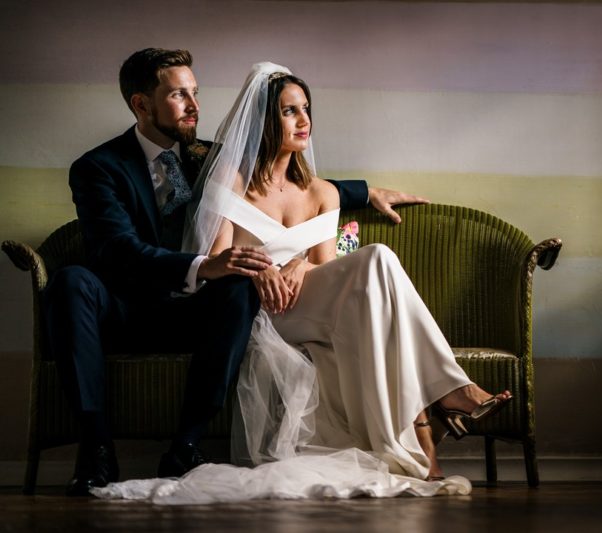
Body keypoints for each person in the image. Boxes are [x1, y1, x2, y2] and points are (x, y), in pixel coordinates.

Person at [91, 62, 511, 503]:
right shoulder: (230, 182)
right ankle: (449, 395)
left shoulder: (322, 192)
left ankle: (439, 410)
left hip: (309, 307)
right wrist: (265, 268)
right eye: (290, 111)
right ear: (264, 123)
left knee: (378, 261)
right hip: (260, 313)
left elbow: (329, 269)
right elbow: (216, 263)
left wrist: (300, 265)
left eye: (306, 108)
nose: (304, 120)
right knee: (378, 262)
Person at [44, 48, 427, 497]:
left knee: (241, 288)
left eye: (196, 93)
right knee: (70, 281)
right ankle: (95, 448)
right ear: (141, 104)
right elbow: (118, 249)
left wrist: (366, 191)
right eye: (178, 95)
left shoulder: (214, 158)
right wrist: (203, 265)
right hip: (129, 308)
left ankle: (185, 446)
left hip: (197, 314)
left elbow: (283, 175)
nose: (194, 105)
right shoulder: (98, 168)